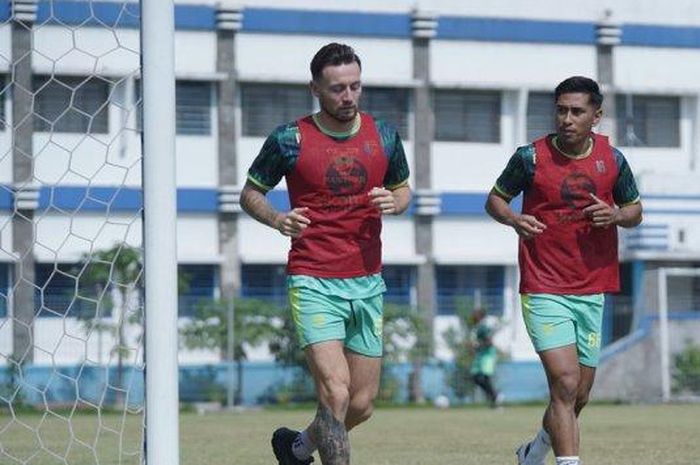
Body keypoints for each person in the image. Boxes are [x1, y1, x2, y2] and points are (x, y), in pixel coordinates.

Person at [240, 43, 411, 465]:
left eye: (355, 86)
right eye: (337, 88)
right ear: (315, 88)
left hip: (368, 280)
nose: (348, 96)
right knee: (335, 391)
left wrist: (396, 201)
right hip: (313, 278)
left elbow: (403, 187)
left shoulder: (384, 135)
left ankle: (296, 448)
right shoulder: (289, 139)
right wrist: (277, 219)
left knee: (361, 404)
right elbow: (250, 194)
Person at [485, 76, 642, 465]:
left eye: (577, 111)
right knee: (566, 383)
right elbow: (495, 200)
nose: (567, 118)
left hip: (592, 286)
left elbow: (635, 212)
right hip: (543, 285)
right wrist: (515, 220)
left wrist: (617, 214)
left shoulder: (613, 160)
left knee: (578, 395)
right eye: (561, 110)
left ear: (596, 116)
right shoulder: (530, 158)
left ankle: (533, 451)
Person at [468, 308, 501, 408]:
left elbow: (489, 342)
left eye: (475, 314)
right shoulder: (476, 327)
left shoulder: (483, 327)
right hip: (480, 355)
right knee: (475, 377)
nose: (473, 316)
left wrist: (477, 345)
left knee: (486, 378)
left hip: (487, 354)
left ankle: (494, 398)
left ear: (480, 316)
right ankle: (492, 396)